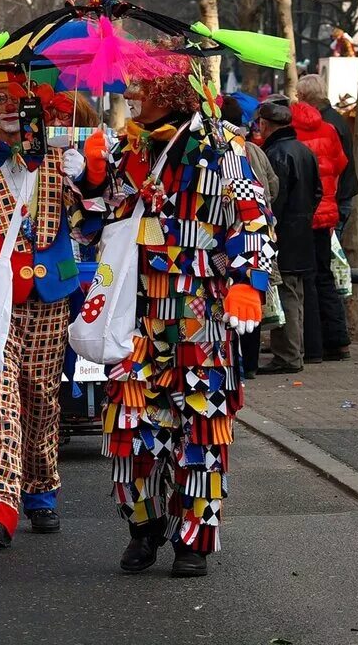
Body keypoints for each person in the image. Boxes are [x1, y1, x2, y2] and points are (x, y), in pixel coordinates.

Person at [74, 54, 274, 577]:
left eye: (142, 84)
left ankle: (195, 540)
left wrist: (248, 285)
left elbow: (254, 220)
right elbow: (89, 231)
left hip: (201, 317)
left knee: (203, 431)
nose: (131, 92)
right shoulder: (127, 149)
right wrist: (94, 182)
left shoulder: (223, 149)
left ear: (174, 91)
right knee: (130, 432)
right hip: (135, 318)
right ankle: (144, 527)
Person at [0, 77, 83, 550]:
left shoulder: (63, 161)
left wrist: (85, 173)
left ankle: (41, 486)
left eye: (20, 101)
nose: (10, 110)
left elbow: (97, 215)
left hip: (51, 294)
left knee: (42, 398)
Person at [258, 99, 322, 374]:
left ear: (265, 125)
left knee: (286, 293)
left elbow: (275, 198)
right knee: (295, 293)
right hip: (302, 232)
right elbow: (318, 191)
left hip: (283, 233)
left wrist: (272, 228)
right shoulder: (303, 151)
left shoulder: (276, 154)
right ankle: (294, 351)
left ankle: (288, 355)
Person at [221, 96, 279, 379]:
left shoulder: (231, 148)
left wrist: (248, 275)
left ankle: (248, 364)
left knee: (242, 311)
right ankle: (251, 364)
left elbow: (254, 213)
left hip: (224, 259)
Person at [291, 101, 350, 362]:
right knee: (325, 277)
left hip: (304, 215)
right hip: (327, 210)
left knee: (305, 279)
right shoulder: (329, 129)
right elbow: (340, 164)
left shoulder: (293, 134)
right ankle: (338, 340)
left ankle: (310, 343)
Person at [297, 74, 358, 239]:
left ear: (304, 96)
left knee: (329, 253)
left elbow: (334, 166)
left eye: (298, 95)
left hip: (333, 200)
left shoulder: (326, 124)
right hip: (335, 198)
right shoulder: (334, 118)